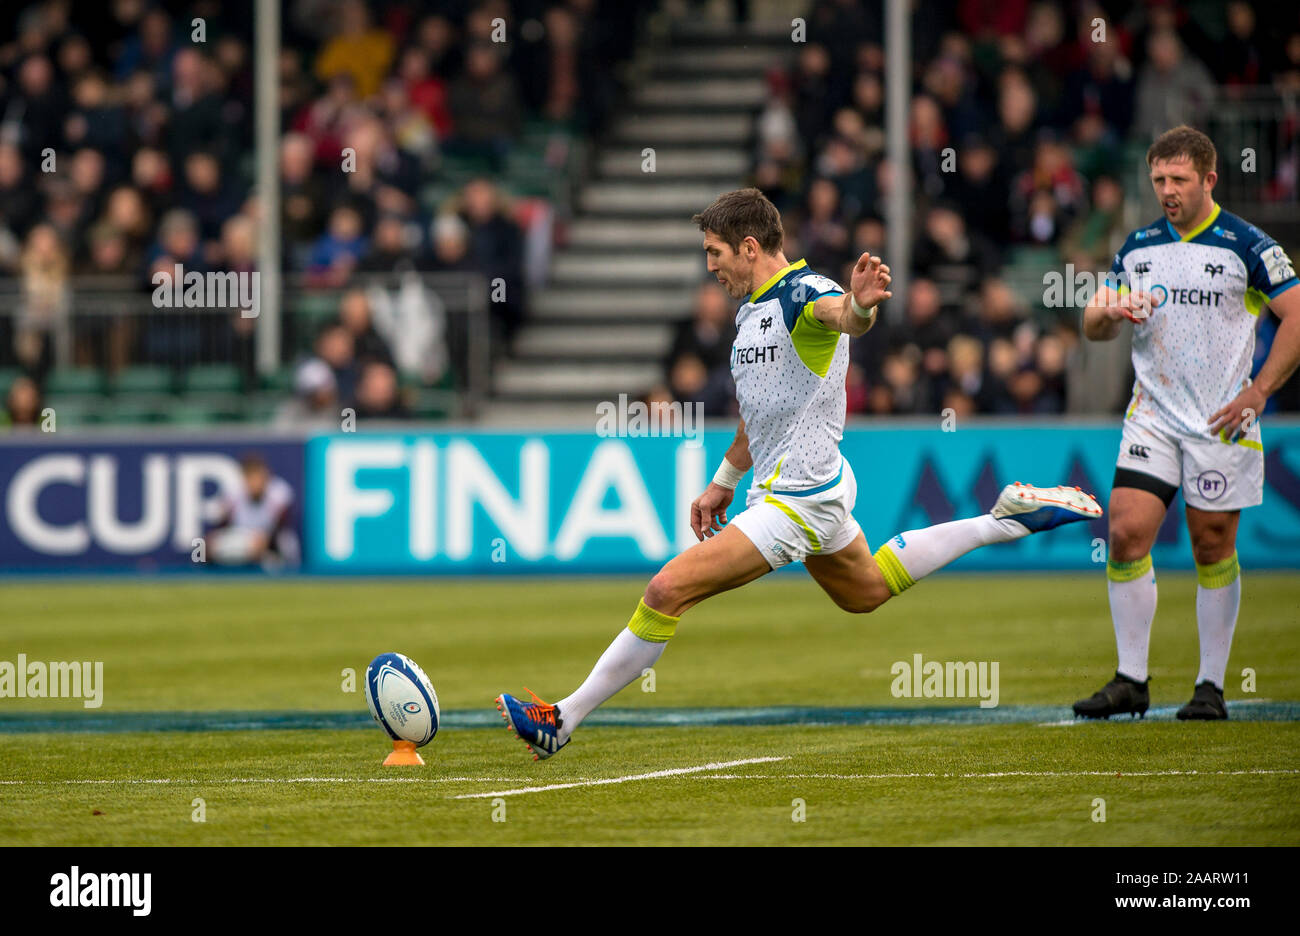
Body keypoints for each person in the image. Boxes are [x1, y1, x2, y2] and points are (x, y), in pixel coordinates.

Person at [495, 188, 1103, 760]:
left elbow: (843, 316)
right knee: (864, 591)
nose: (710, 267)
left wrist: (861, 305)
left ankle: (562, 720)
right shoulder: (752, 312)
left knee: (666, 590)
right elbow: (759, 412)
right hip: (801, 488)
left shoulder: (802, 294)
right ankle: (1003, 522)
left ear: (749, 248)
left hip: (798, 500)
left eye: (715, 252)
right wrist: (724, 482)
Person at [1074, 126, 1300, 721]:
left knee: (1211, 543)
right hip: (1152, 416)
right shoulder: (1138, 247)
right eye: (1158, 181)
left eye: (1178, 180)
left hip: (1221, 420)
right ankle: (1131, 679)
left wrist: (1260, 391)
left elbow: (1296, 316)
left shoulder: (1247, 245)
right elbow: (1092, 323)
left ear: (1209, 178)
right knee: (1124, 532)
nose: (1167, 191)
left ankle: (1210, 686)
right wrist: (1109, 312)